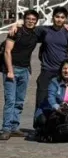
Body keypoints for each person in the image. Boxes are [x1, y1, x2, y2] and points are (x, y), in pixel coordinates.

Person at [1, 8, 40, 139]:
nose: (30, 21)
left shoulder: (35, 34)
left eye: (33, 20)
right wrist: (10, 71)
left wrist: (67, 26)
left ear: (36, 22)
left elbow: (52, 28)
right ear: (24, 19)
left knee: (19, 101)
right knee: (10, 100)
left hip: (25, 70)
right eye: (28, 19)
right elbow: (7, 52)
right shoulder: (15, 32)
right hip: (11, 69)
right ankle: (6, 128)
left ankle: (14, 127)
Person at [34, 60, 68, 142]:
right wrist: (58, 106)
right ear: (61, 70)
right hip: (50, 110)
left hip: (67, 110)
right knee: (43, 120)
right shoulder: (54, 82)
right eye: (64, 69)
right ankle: (42, 132)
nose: (67, 71)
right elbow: (51, 98)